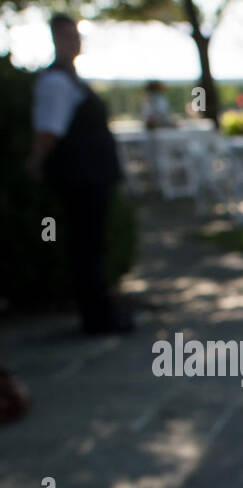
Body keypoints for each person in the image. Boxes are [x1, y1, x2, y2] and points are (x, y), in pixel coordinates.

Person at [23, 14, 132, 335]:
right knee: (85, 248)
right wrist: (36, 162)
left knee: (91, 247)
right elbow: (48, 131)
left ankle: (100, 313)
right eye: (69, 37)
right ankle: (96, 317)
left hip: (90, 177)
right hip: (80, 179)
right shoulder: (56, 82)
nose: (75, 42)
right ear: (56, 39)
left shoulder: (69, 79)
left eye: (77, 36)